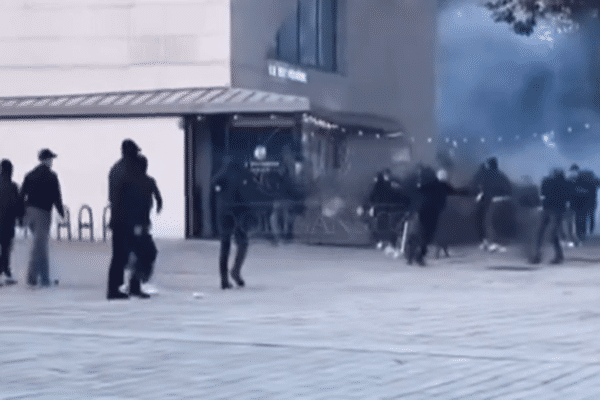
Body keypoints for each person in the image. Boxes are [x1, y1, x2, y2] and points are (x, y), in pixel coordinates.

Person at [212, 155, 267, 289]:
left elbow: (214, 185)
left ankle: (225, 278)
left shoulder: (223, 173)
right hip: (238, 213)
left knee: (226, 245)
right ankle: (234, 271)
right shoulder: (243, 174)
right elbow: (251, 192)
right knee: (241, 242)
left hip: (226, 212)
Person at [106, 139, 151, 300]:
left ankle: (118, 288)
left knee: (120, 255)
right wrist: (136, 221)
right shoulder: (129, 171)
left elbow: (113, 197)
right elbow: (132, 198)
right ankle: (123, 288)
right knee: (134, 253)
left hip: (119, 219)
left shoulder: (116, 169)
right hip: (128, 220)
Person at [408, 169, 472, 266]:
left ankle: (412, 254)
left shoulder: (430, 184)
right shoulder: (443, 185)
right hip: (432, 212)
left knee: (422, 233)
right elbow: (456, 191)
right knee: (427, 235)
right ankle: (418, 256)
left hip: (424, 211)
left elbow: (418, 191)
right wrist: (468, 191)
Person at [21, 149, 65, 287]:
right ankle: (32, 278)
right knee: (39, 245)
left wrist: (20, 214)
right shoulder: (52, 176)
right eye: (51, 159)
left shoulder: (30, 175)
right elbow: (57, 196)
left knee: (41, 244)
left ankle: (45, 277)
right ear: (46, 160)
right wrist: (61, 213)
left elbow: (22, 194)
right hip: (42, 213)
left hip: (29, 212)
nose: (52, 161)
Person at [128, 154, 162, 285]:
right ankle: (139, 277)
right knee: (146, 251)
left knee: (141, 250)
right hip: (140, 222)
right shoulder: (148, 181)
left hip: (138, 222)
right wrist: (158, 206)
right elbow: (158, 198)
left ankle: (139, 276)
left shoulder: (132, 182)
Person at [470, 157, 512, 252]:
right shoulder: (500, 175)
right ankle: (491, 242)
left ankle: (488, 242)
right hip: (499, 201)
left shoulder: (486, 174)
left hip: (488, 201)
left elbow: (478, 185)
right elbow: (508, 188)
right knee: (491, 222)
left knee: (487, 221)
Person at [532, 169, 572, 264]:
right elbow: (568, 198)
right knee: (552, 234)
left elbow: (542, 194)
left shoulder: (547, 181)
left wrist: (541, 206)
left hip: (547, 209)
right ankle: (559, 255)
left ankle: (537, 256)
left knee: (540, 233)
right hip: (558, 211)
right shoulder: (566, 183)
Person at [0, 160, 24, 286]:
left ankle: (6, 271)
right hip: (8, 223)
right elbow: (19, 204)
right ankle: (6, 271)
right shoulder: (14, 186)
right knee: (6, 248)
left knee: (4, 249)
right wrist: (20, 219)